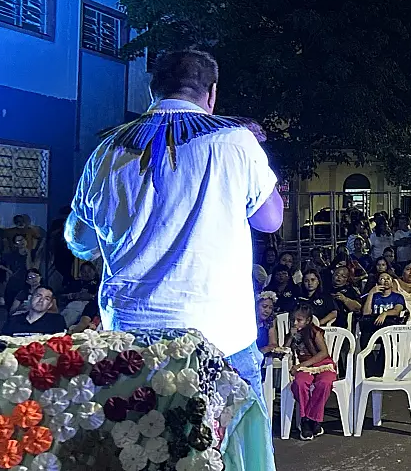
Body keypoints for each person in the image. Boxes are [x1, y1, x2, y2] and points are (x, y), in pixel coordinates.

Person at [65, 49, 283, 433]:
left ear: (152, 89)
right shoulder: (235, 142)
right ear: (211, 93)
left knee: (141, 449)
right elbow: (271, 219)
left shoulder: (108, 151)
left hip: (132, 342)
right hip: (220, 339)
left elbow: (79, 241)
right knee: (234, 454)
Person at [285, 305, 335, 440]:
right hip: (304, 367)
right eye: (293, 320)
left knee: (324, 383)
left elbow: (323, 353)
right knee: (300, 383)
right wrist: (290, 336)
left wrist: (302, 365)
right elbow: (286, 348)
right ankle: (306, 419)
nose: (295, 323)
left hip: (321, 364)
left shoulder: (314, 332)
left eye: (299, 320)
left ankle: (313, 418)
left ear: (308, 321)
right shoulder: (294, 333)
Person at [1, 287, 67, 335]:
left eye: (47, 299)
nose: (41, 300)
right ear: (30, 298)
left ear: (50, 305)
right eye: (38, 296)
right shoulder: (13, 320)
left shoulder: (57, 321)